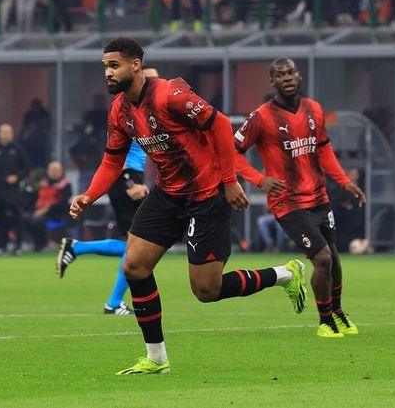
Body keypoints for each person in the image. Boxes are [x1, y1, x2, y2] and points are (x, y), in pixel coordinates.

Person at [65, 38, 307, 375]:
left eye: (114, 65)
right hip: (168, 194)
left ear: (135, 65)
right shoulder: (120, 110)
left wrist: (229, 181)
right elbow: (111, 161)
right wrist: (89, 196)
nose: (107, 72)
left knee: (206, 290)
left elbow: (221, 125)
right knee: (134, 266)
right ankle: (156, 358)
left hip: (208, 195)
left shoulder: (170, 95)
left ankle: (284, 274)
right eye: (105, 66)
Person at [234, 57, 367, 338]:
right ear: (273, 81)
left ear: (299, 75)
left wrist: (344, 182)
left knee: (333, 256)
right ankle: (324, 321)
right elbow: (231, 153)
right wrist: (259, 179)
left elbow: (324, 149)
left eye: (291, 72)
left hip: (319, 197)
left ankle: (339, 312)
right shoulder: (261, 117)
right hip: (289, 203)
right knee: (321, 257)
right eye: (280, 74)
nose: (287, 77)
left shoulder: (314, 109)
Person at [57, 65, 160, 316]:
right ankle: (112, 302)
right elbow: (119, 152)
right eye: (154, 79)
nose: (159, 84)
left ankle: (77, 249)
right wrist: (130, 183)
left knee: (133, 245)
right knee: (138, 248)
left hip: (128, 177)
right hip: (126, 177)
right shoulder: (130, 110)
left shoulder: (145, 110)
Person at [0, 123, 30, 255]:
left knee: (16, 218)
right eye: (3, 132)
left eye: (8, 132)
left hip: (14, 191)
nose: (6, 135)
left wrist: (17, 177)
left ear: (12, 134)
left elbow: (26, 169)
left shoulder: (18, 150)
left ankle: (17, 246)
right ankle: (0, 246)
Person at [24, 160, 72, 251]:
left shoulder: (65, 184)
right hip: (39, 211)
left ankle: (41, 243)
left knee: (37, 220)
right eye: (52, 170)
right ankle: (36, 241)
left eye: (56, 170)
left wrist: (47, 209)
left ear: (61, 171)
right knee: (24, 218)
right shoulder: (43, 183)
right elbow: (35, 198)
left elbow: (63, 203)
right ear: (48, 171)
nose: (54, 173)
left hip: (55, 214)